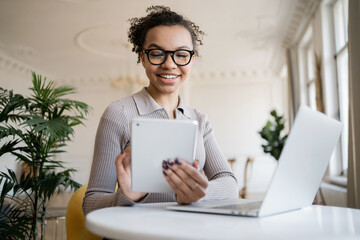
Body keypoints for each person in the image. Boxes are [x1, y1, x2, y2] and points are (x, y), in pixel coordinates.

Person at [82, 5, 238, 215]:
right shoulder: (118, 113)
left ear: (192, 59)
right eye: (157, 54)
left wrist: (197, 192)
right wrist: (129, 196)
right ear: (143, 57)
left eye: (181, 55)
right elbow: (90, 205)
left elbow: (230, 184)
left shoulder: (199, 120)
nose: (169, 64)